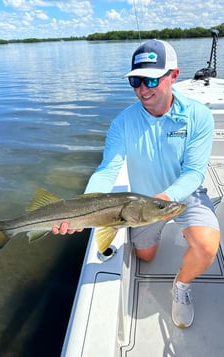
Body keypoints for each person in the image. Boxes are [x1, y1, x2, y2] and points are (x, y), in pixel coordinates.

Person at [52, 39, 220, 328]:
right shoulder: (122, 122)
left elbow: (194, 172)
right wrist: (86, 206)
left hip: (185, 196)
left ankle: (181, 286)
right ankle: (158, 233)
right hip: (140, 204)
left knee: (206, 249)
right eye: (136, 80)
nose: (143, 89)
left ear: (173, 76)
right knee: (145, 256)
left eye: (152, 79)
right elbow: (108, 169)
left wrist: (164, 200)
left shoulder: (199, 116)